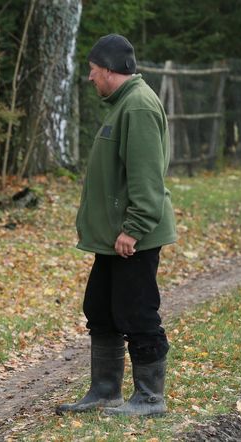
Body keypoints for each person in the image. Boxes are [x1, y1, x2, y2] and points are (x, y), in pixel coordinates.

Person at [56, 34, 177, 417]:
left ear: (109, 70)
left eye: (93, 72)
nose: (90, 78)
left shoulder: (138, 107)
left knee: (137, 311)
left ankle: (150, 398)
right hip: (114, 237)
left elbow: (146, 179)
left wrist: (134, 228)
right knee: (101, 308)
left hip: (133, 236)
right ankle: (106, 391)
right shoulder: (121, 104)